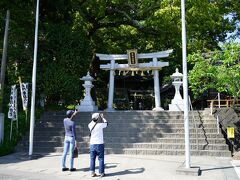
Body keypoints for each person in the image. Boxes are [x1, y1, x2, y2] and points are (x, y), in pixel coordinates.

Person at [88, 113, 108, 177]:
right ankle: (101, 172)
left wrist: (95, 117)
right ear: (97, 118)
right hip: (99, 144)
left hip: (92, 144)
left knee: (92, 159)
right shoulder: (100, 125)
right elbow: (106, 123)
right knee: (101, 158)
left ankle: (92, 172)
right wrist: (102, 117)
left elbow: (92, 121)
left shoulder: (89, 125)